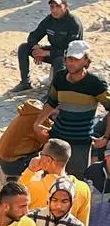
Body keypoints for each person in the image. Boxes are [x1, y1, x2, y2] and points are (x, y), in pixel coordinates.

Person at [34, 40, 110, 176]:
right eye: (69, 58)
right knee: (49, 179)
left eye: (76, 59)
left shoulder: (96, 84)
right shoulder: (60, 78)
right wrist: (38, 123)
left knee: (74, 182)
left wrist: (105, 137)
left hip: (80, 142)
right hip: (57, 138)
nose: (71, 62)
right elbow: (51, 102)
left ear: (86, 61)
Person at [15, 0, 84, 91]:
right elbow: (34, 36)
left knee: (59, 61)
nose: (54, 10)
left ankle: (53, 93)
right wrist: (36, 49)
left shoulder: (73, 23)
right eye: (52, 7)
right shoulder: (50, 19)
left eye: (58, 6)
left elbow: (71, 51)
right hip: (54, 50)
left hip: (71, 57)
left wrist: (45, 53)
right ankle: (25, 83)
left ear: (66, 7)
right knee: (23, 48)